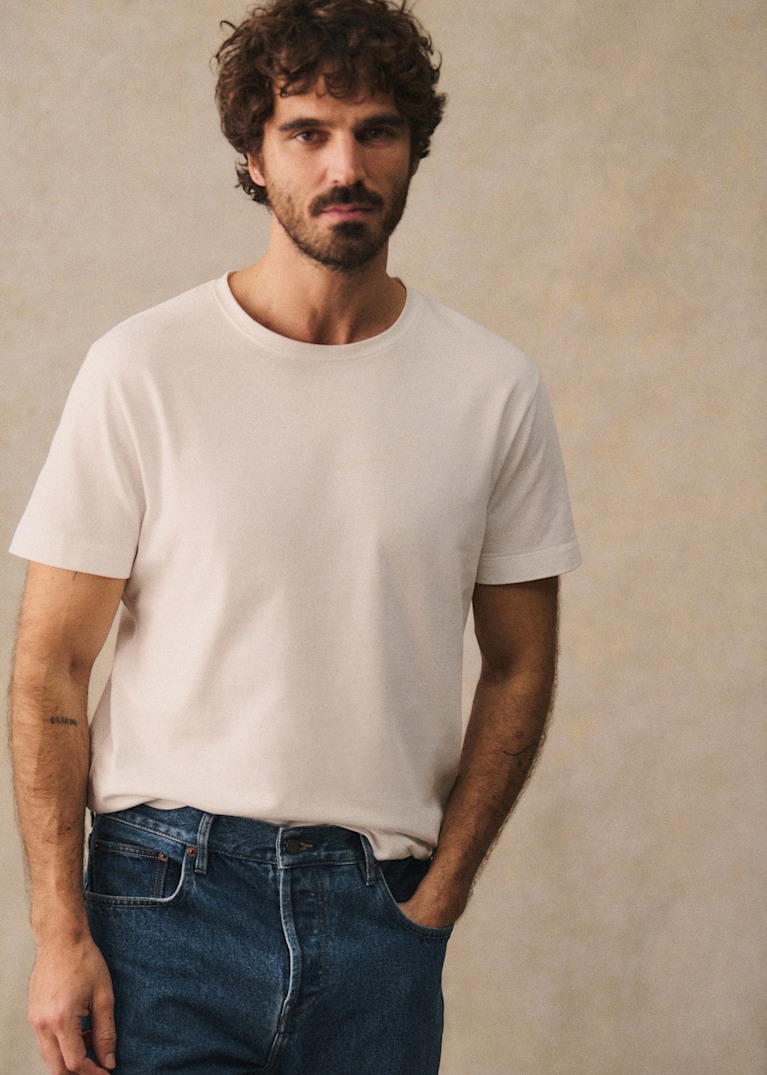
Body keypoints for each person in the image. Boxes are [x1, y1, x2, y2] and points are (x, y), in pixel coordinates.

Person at [9, 1, 581, 1072]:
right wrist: (58, 932)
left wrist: (441, 895)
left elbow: (520, 663)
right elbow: (52, 665)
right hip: (163, 903)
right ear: (254, 154)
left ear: (413, 149)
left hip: (380, 914)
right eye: (307, 132)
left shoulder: (491, 389)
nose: (344, 166)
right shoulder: (143, 369)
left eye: (375, 131)